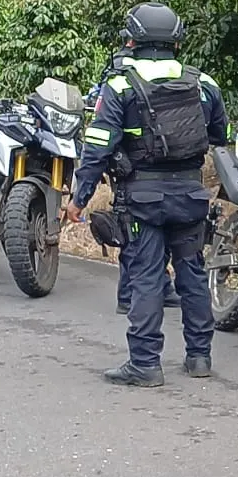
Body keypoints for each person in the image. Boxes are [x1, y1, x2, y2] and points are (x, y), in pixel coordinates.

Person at [64, 3, 225, 386]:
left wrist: (78, 199)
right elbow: (220, 135)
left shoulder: (120, 85)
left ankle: (145, 364)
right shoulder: (204, 83)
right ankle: (200, 358)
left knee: (147, 277)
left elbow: (97, 148)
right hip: (190, 195)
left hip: (142, 199)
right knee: (192, 274)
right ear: (177, 41)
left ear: (132, 39)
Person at [89, 48, 177, 316]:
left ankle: (159, 286)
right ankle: (128, 294)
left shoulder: (124, 73)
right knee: (133, 234)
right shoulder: (120, 75)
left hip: (139, 167)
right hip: (130, 168)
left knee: (145, 234)